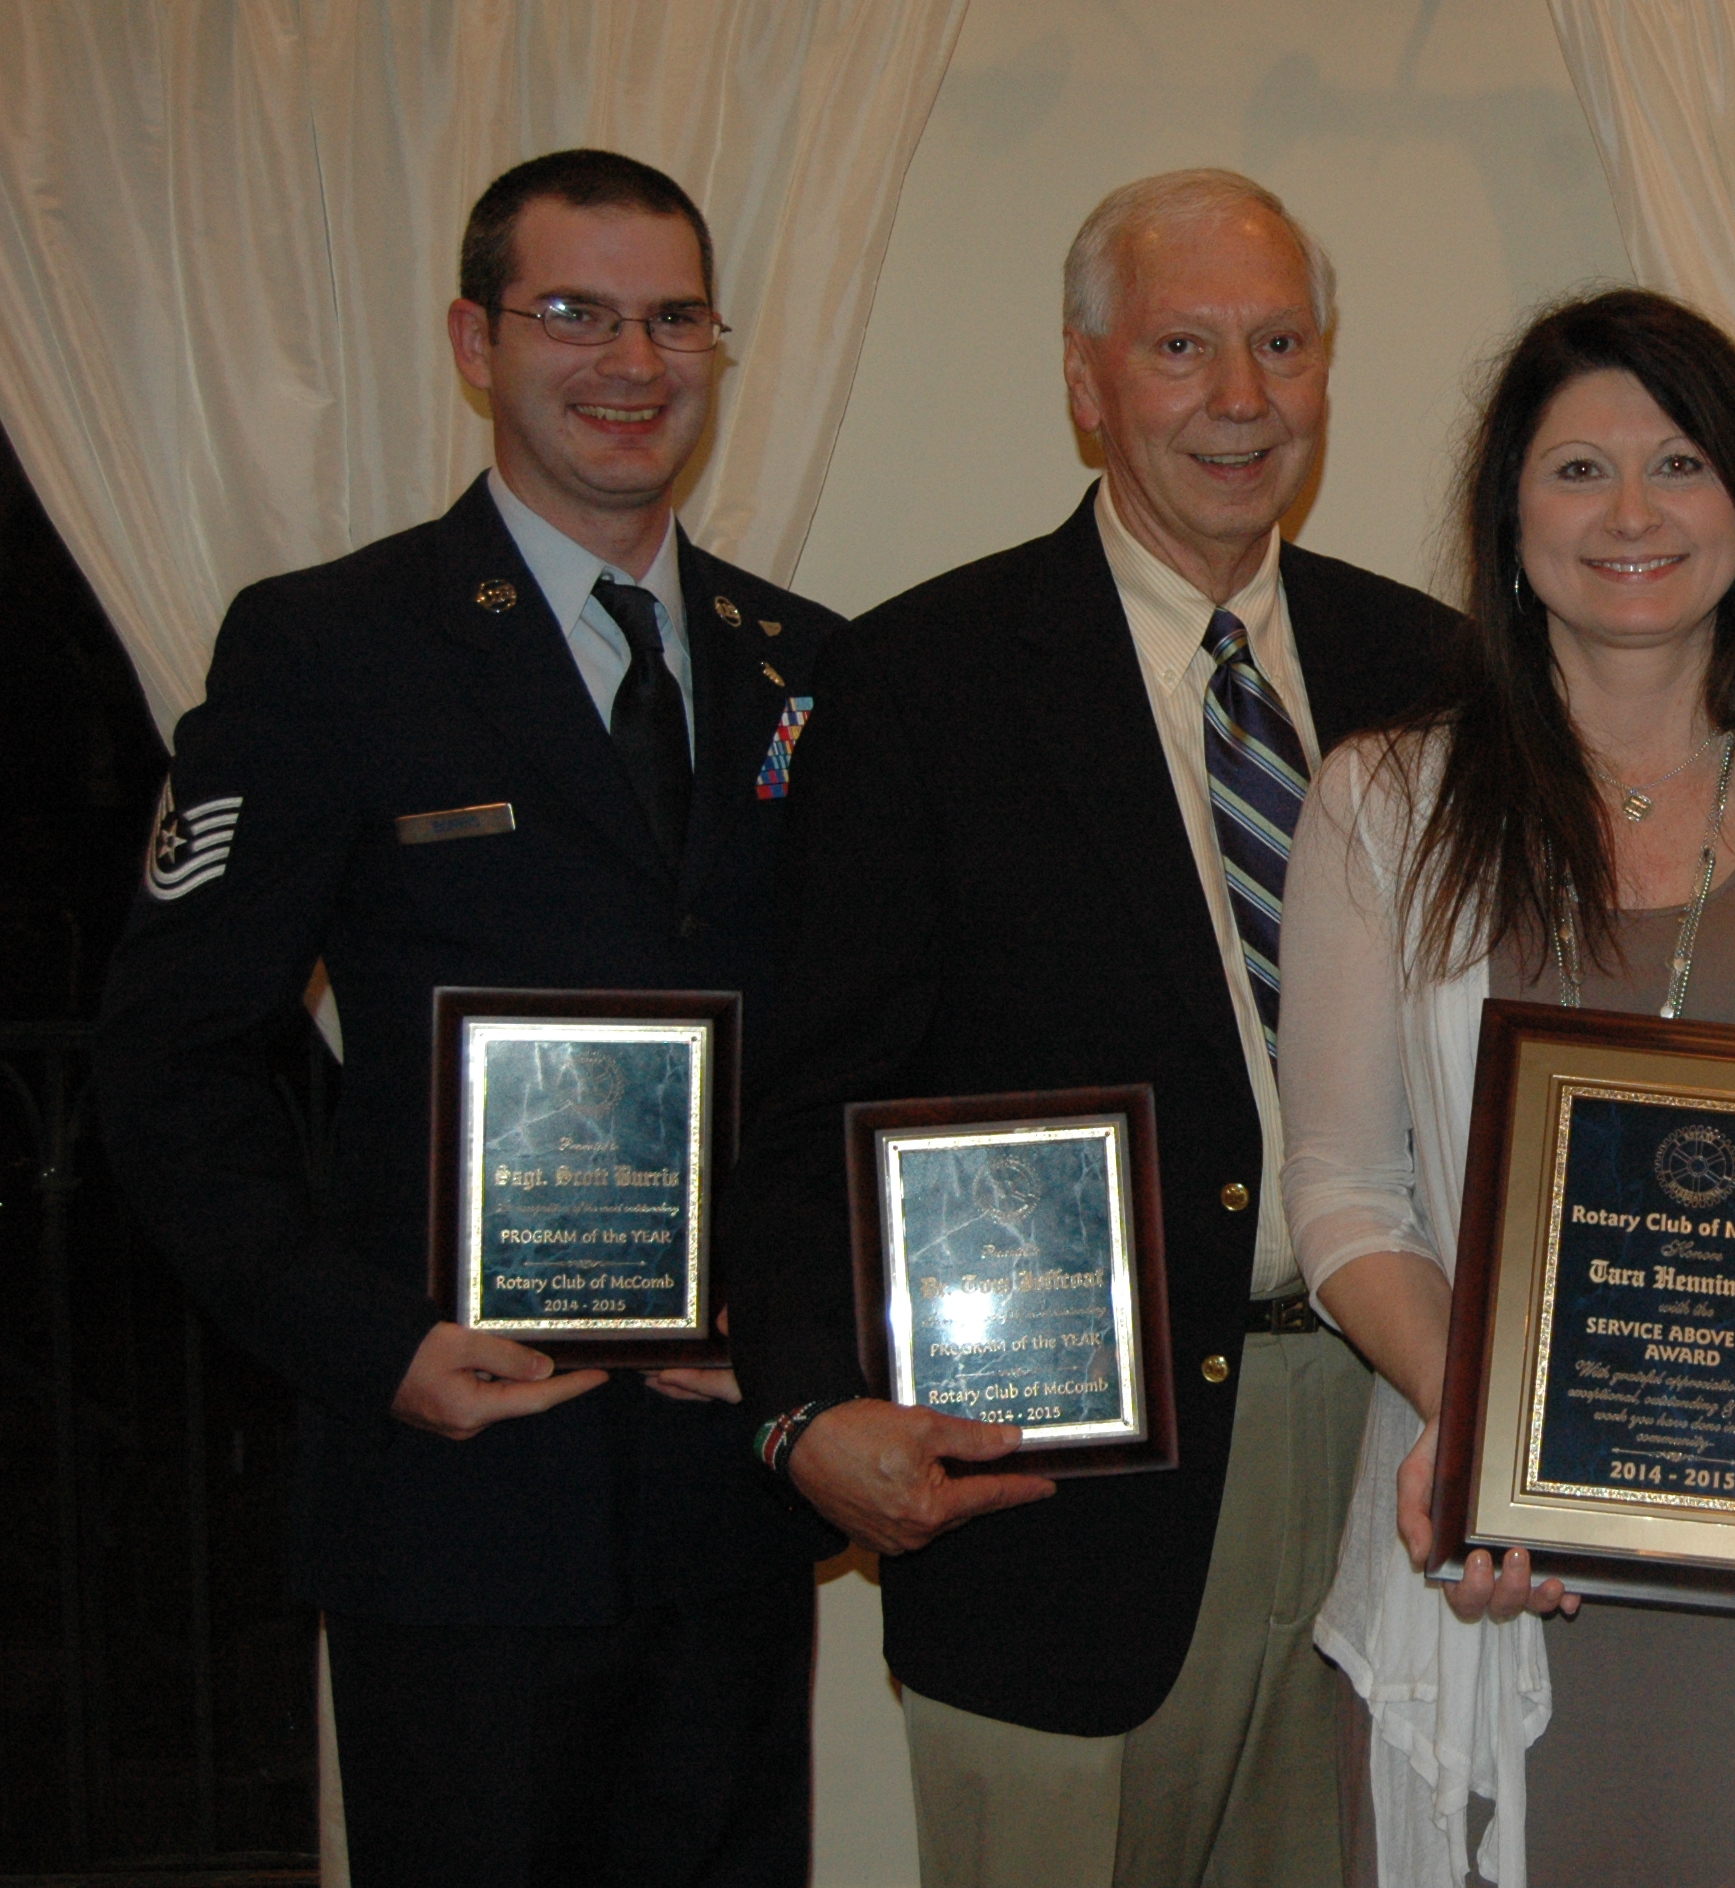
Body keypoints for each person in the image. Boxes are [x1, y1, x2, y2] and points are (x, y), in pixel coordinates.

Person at [93, 149, 842, 1887]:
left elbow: (847, 1058)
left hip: (728, 1497)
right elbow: (174, 1061)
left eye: (674, 319)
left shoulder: (804, 663)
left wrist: (811, 1330)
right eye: (574, 313)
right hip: (456, 1504)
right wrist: (372, 1348)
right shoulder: (329, 647)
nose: (631, 363)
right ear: (471, 341)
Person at [725, 167, 1463, 1888]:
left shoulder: (1434, 671)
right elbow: (807, 1098)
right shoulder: (920, 682)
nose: (1241, 397)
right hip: (1059, 1506)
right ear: (1084, 379)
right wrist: (800, 1408)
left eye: (1282, 343)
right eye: (1182, 346)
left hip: (1389, 1448)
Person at [1279, 287, 1735, 1888]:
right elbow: (1344, 1189)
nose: (1632, 514)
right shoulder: (1381, 804)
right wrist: (1481, 1431)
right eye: (1578, 469)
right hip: (1478, 1558)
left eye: (1680, 463)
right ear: (1509, 511)